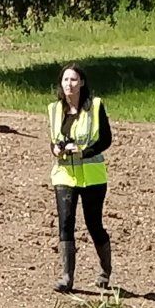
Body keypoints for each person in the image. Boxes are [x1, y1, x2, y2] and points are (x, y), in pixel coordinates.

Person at [47, 63, 113, 294]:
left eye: (74, 80)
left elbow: (105, 140)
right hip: (64, 175)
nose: (69, 84)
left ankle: (105, 270)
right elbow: (54, 139)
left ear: (82, 83)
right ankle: (67, 277)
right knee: (65, 224)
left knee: (94, 224)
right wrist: (56, 149)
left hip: (92, 176)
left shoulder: (94, 106)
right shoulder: (55, 109)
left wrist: (83, 152)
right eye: (65, 80)